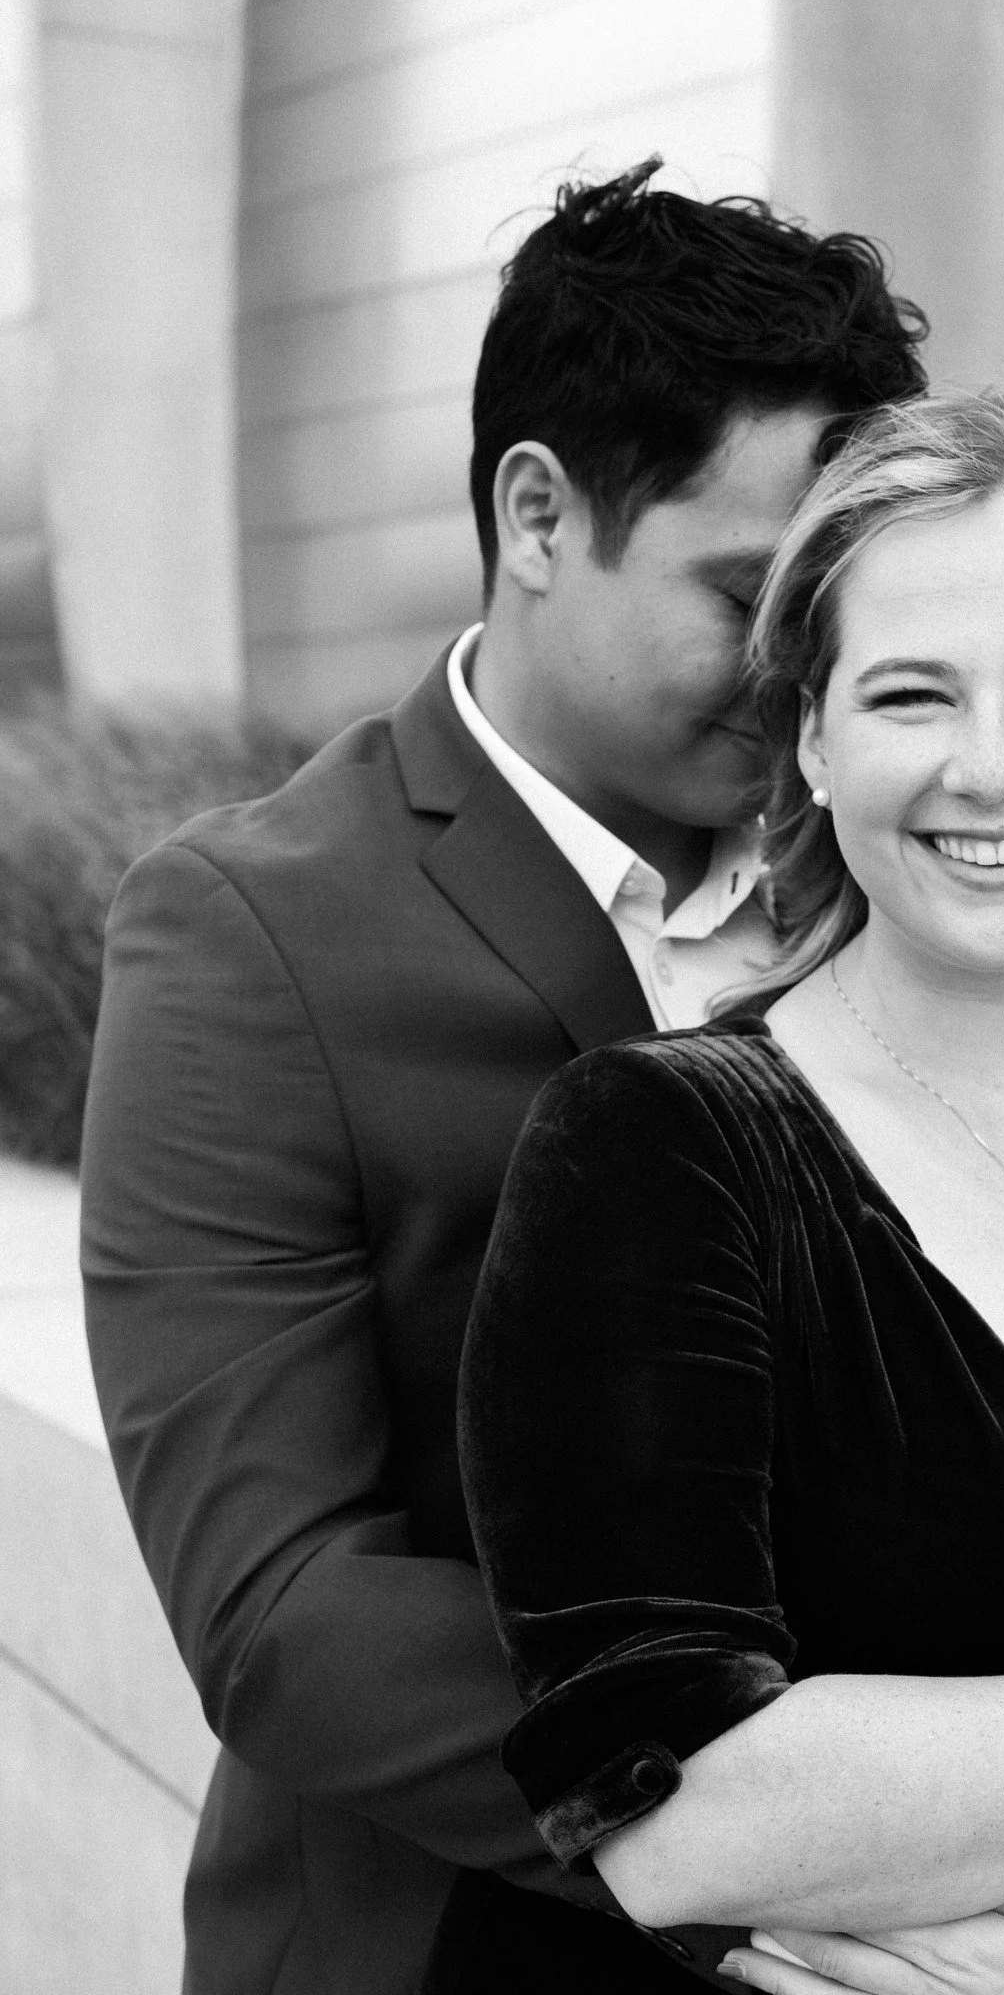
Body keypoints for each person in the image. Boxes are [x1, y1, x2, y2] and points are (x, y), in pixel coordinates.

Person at [78, 160, 929, 1995]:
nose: (808, 681)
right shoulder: (244, 930)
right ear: (538, 513)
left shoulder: (913, 868)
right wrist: (841, 1812)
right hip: (457, 1941)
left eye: (838, 613)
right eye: (748, 596)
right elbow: (284, 1608)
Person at [458, 388, 1004, 1994]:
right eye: (913, 695)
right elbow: (670, 1806)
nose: (989, 769)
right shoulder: (655, 1154)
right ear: (815, 736)